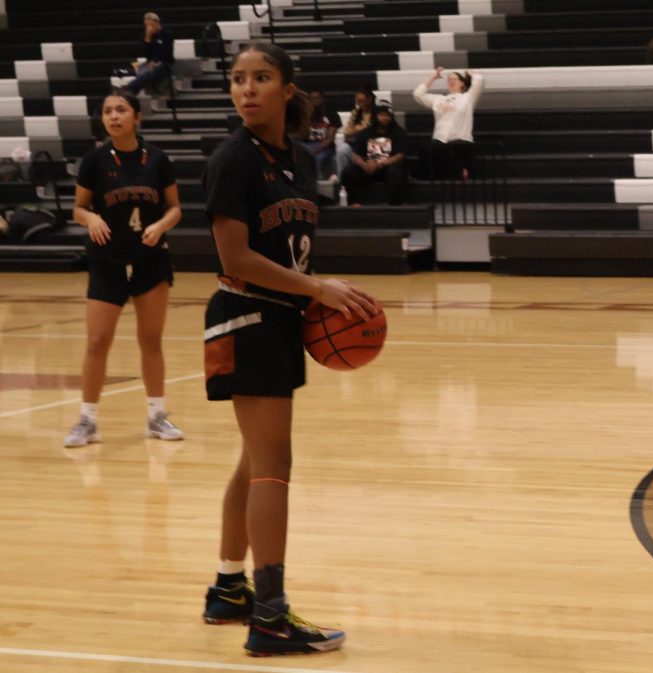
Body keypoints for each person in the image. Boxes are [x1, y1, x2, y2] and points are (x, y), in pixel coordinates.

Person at [199, 41, 377, 656]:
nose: (247, 88)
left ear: (286, 89)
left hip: (275, 318)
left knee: (254, 461)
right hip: (243, 315)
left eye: (261, 77)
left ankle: (229, 588)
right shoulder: (232, 159)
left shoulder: (299, 161)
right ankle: (271, 618)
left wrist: (313, 300)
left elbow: (288, 250)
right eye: (238, 79)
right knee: (275, 463)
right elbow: (236, 258)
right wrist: (316, 290)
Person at [65, 88, 184, 448]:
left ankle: (156, 416)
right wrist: (91, 219)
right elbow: (78, 208)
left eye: (120, 110)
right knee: (98, 340)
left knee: (150, 340)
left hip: (150, 260)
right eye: (107, 111)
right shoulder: (94, 161)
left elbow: (175, 208)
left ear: (137, 117)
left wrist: (161, 225)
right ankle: (87, 420)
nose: (113, 116)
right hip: (107, 261)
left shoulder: (158, 160)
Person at [413, 68, 484, 180]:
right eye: (449, 79)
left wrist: (470, 73)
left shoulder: (468, 98)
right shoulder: (439, 99)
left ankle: (459, 176)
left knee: (453, 148)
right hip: (440, 139)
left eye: (455, 79)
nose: (451, 81)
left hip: (461, 139)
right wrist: (433, 77)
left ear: (462, 83)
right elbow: (418, 94)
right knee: (426, 148)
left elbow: (479, 80)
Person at [339, 101, 408, 206]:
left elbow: (400, 155)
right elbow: (355, 155)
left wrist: (381, 164)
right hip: (368, 167)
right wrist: (364, 165)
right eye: (382, 115)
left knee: (395, 172)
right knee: (349, 172)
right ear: (376, 116)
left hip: (388, 167)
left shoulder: (399, 133)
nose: (385, 118)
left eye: (388, 116)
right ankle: (354, 202)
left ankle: (395, 205)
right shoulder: (365, 133)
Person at [127, 12, 174, 95]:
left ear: (157, 23)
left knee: (150, 71)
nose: (149, 28)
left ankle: (130, 88)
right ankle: (131, 91)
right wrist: (147, 38)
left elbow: (166, 53)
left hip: (165, 63)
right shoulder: (145, 35)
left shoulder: (167, 34)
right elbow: (144, 54)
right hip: (149, 62)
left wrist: (155, 61)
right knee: (140, 70)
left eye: (151, 25)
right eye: (146, 26)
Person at [334, 88, 376, 178]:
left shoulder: (377, 113)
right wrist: (357, 131)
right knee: (342, 151)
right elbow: (348, 132)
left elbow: (369, 130)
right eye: (357, 101)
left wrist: (356, 130)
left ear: (369, 100)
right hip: (355, 143)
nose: (358, 104)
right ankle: (343, 182)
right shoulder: (355, 112)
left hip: (371, 144)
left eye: (361, 101)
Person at [302, 89, 340, 179]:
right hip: (308, 145)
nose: (315, 100)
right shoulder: (305, 114)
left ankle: (315, 185)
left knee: (317, 158)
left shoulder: (332, 114)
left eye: (317, 98)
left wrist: (315, 151)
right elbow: (301, 135)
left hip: (325, 147)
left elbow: (329, 140)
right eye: (312, 98)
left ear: (322, 99)